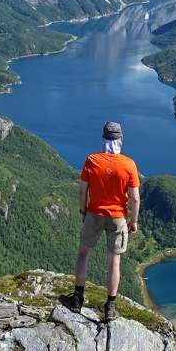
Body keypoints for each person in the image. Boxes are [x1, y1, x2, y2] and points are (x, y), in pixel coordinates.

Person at [67, 121, 139, 321]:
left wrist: (83, 211)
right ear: (121, 139)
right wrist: (133, 221)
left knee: (83, 254)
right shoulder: (129, 164)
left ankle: (77, 298)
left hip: (94, 214)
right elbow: (134, 198)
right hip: (117, 218)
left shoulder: (92, 160)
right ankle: (110, 306)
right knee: (114, 262)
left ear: (103, 139)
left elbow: (83, 190)